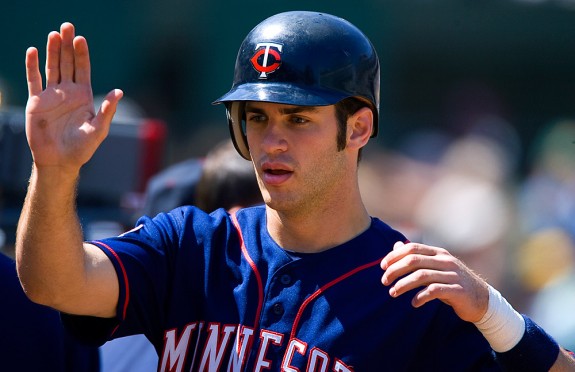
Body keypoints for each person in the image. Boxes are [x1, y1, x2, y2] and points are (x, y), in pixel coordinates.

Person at [15, 12, 575, 371]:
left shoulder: (413, 285)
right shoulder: (194, 243)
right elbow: (52, 283)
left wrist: (492, 312)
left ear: (357, 128)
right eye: (256, 117)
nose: (271, 141)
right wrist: (56, 171)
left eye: (298, 118)